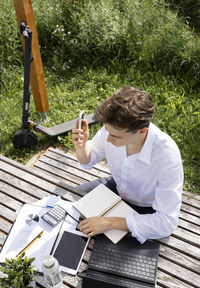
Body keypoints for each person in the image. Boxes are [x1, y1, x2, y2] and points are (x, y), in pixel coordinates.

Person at [72, 86, 184, 243]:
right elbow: (88, 161)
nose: (108, 140)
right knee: (68, 206)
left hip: (146, 208)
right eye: (107, 131)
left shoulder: (167, 157)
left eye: (116, 137)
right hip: (116, 187)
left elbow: (167, 222)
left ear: (142, 132)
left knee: (105, 250)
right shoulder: (113, 129)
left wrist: (109, 223)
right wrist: (81, 147)